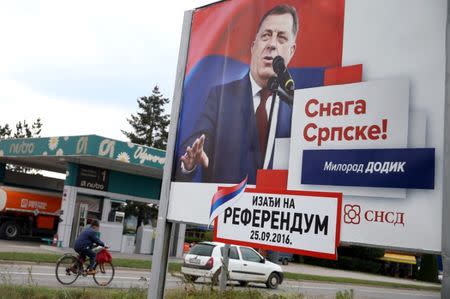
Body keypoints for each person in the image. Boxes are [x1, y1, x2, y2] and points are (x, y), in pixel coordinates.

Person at [177, 4, 299, 185]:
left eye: (281, 38)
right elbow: (196, 142)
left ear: (291, 51)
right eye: (266, 36)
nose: (272, 45)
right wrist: (191, 161)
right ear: (253, 46)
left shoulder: (297, 106)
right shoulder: (220, 96)